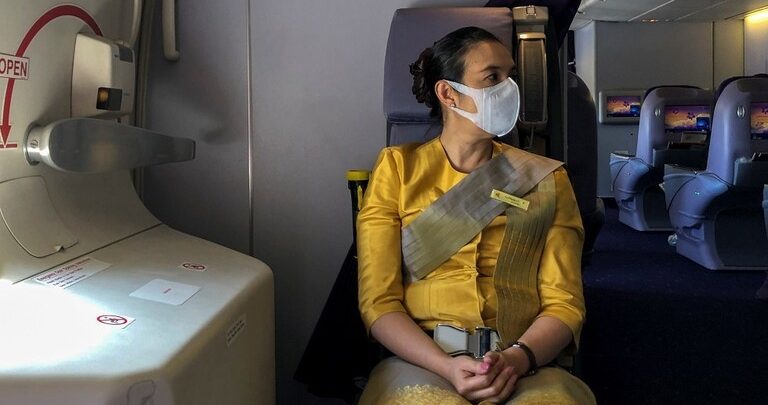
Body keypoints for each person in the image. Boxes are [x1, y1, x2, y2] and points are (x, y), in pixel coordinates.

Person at [356, 27, 595, 404]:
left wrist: (516, 359)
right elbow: (379, 303)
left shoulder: (547, 179)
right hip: (423, 359)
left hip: (522, 358)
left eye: (510, 76)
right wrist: (446, 367)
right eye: (492, 77)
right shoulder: (398, 170)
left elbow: (564, 302)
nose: (509, 89)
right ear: (448, 93)